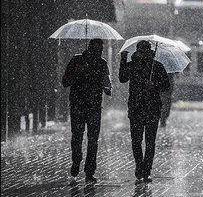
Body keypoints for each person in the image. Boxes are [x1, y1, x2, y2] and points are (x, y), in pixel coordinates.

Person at [119, 41, 170, 183]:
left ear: (150, 52)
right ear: (137, 51)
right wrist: (123, 60)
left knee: (150, 141)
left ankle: (147, 170)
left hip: (152, 108)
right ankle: (139, 166)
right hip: (136, 108)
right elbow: (122, 78)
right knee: (136, 140)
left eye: (146, 51)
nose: (143, 54)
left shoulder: (157, 66)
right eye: (141, 51)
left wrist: (154, 85)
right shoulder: (133, 65)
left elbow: (166, 86)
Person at [62, 38, 112, 183]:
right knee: (78, 136)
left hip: (93, 107)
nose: (98, 52)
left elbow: (108, 86)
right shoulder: (76, 61)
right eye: (96, 49)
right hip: (79, 106)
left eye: (100, 50)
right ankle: (77, 161)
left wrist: (107, 88)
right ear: (89, 48)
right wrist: (78, 74)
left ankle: (89, 170)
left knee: (92, 139)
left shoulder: (102, 64)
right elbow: (65, 82)